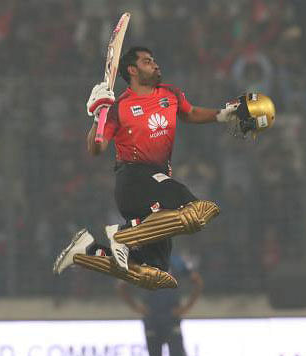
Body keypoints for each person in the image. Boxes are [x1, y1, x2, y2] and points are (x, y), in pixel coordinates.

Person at [53, 46, 275, 289]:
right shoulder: (119, 107)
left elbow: (190, 114)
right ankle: (123, 237)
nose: (155, 65)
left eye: (154, 60)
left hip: (156, 183)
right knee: (198, 211)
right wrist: (98, 116)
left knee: (155, 274)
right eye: (147, 62)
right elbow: (96, 149)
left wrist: (224, 114)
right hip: (134, 179)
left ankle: (86, 251)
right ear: (132, 70)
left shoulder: (170, 94)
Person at [117, 254, 202, 356]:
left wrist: (187, 307)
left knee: (177, 355)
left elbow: (197, 281)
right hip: (152, 318)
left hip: (171, 317)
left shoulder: (175, 260)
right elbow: (122, 285)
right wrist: (136, 307)